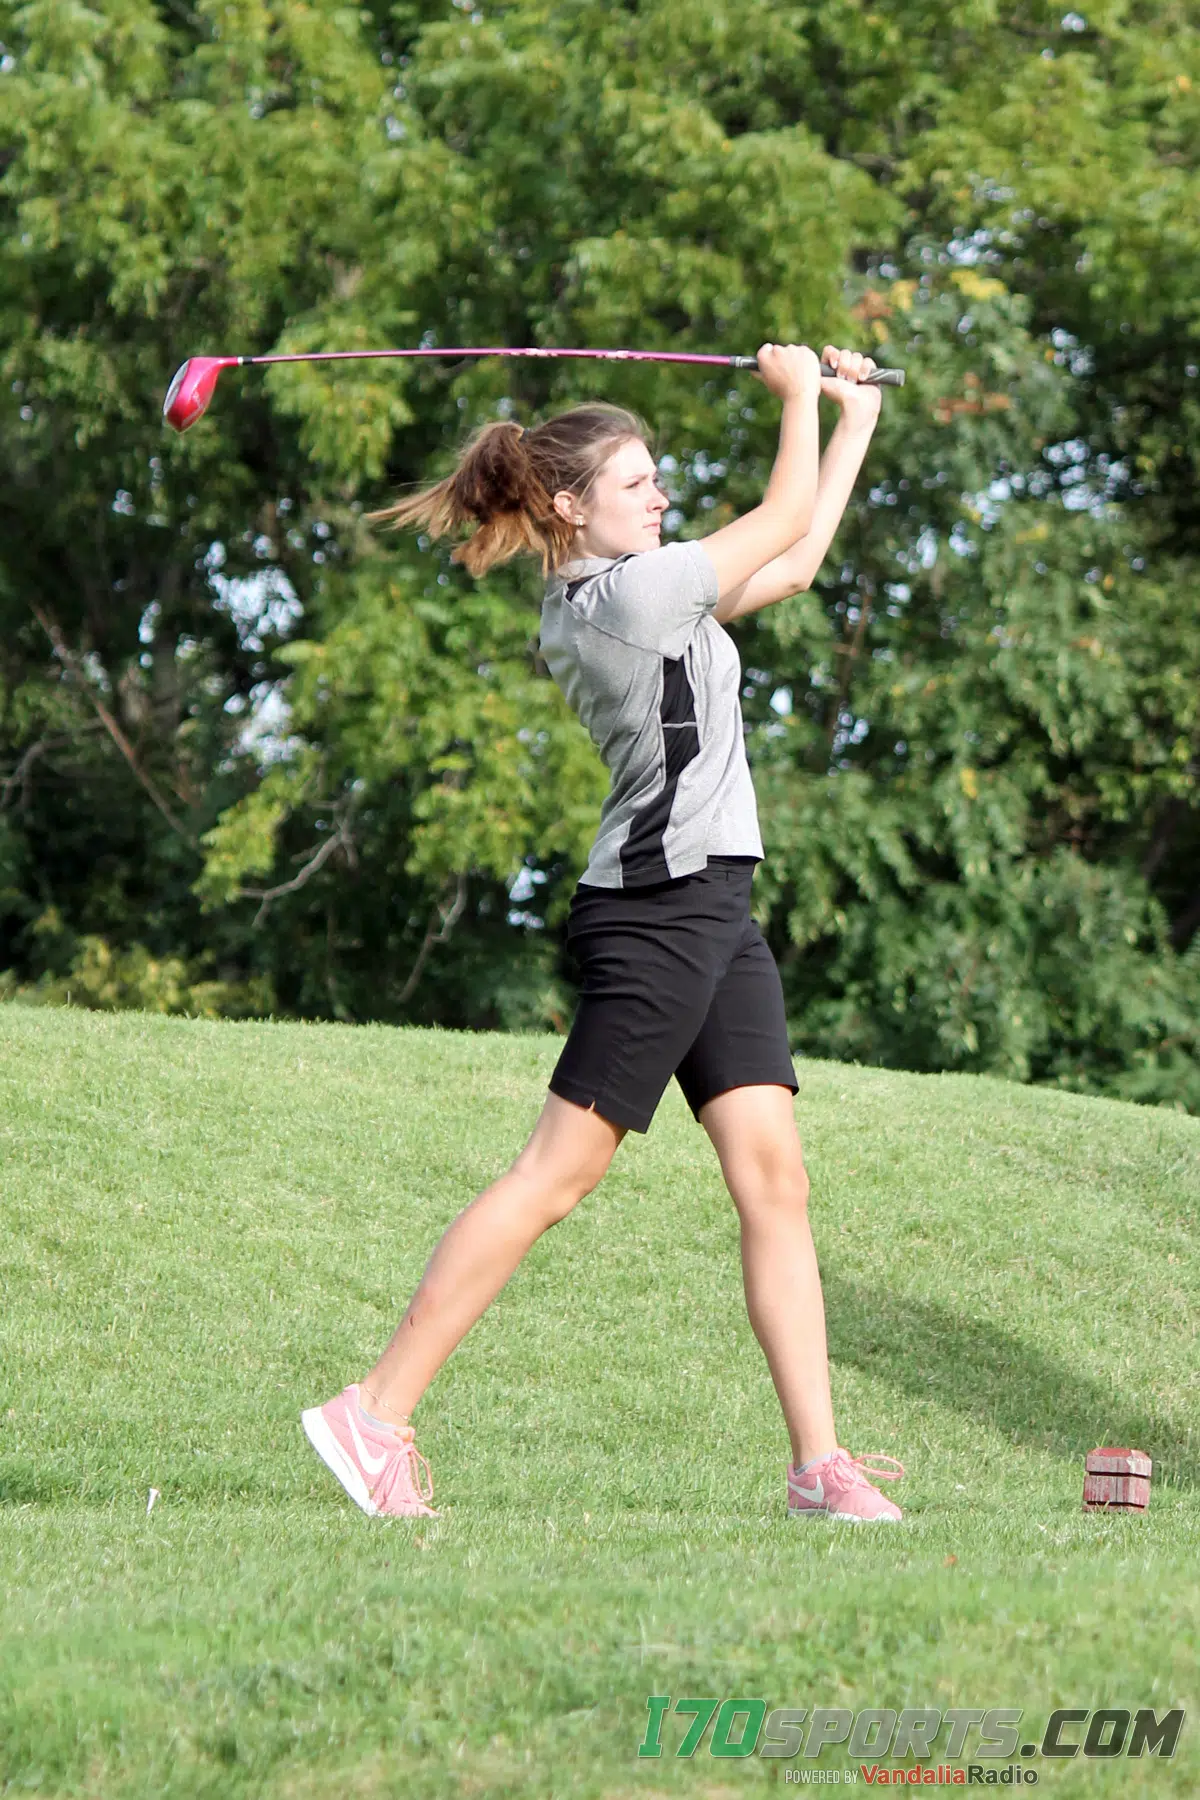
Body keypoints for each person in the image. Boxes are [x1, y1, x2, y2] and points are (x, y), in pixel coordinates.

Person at [301, 342, 906, 1523]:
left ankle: (818, 1466)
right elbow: (778, 512)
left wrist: (856, 420)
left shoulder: (647, 586)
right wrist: (794, 399)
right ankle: (372, 1413)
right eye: (641, 483)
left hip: (712, 905)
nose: (664, 497)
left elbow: (791, 562)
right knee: (554, 1176)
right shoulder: (624, 595)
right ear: (573, 506)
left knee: (775, 1179)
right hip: (660, 911)